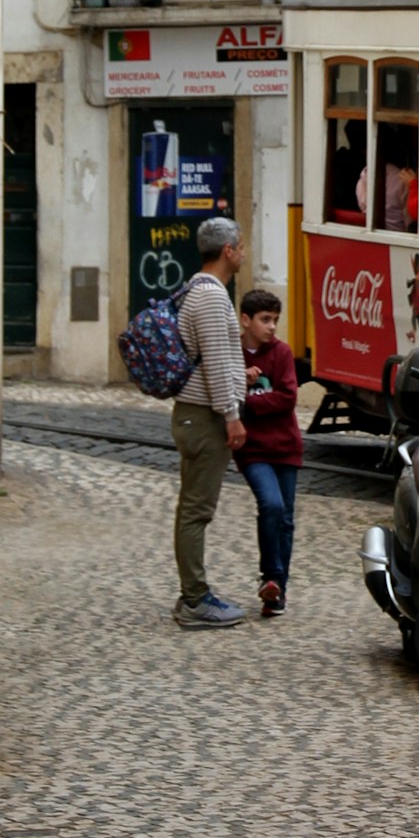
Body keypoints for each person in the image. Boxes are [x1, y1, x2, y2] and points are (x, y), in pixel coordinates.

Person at [172, 217, 248, 628]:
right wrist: (232, 416)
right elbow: (217, 365)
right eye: (240, 246)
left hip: (193, 414)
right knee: (196, 511)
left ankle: (193, 595)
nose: (243, 253)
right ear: (228, 251)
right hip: (204, 418)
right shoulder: (212, 298)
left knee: (191, 508)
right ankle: (196, 599)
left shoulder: (194, 289)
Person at [236, 286, 301, 618]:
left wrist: (251, 400)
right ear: (246, 320)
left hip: (286, 447)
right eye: (265, 320)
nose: (272, 327)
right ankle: (271, 576)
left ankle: (277, 593)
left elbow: (288, 397)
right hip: (253, 450)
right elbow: (227, 396)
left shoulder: (282, 353)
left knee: (286, 521)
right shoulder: (233, 354)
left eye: (275, 320)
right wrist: (246, 391)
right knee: (271, 505)